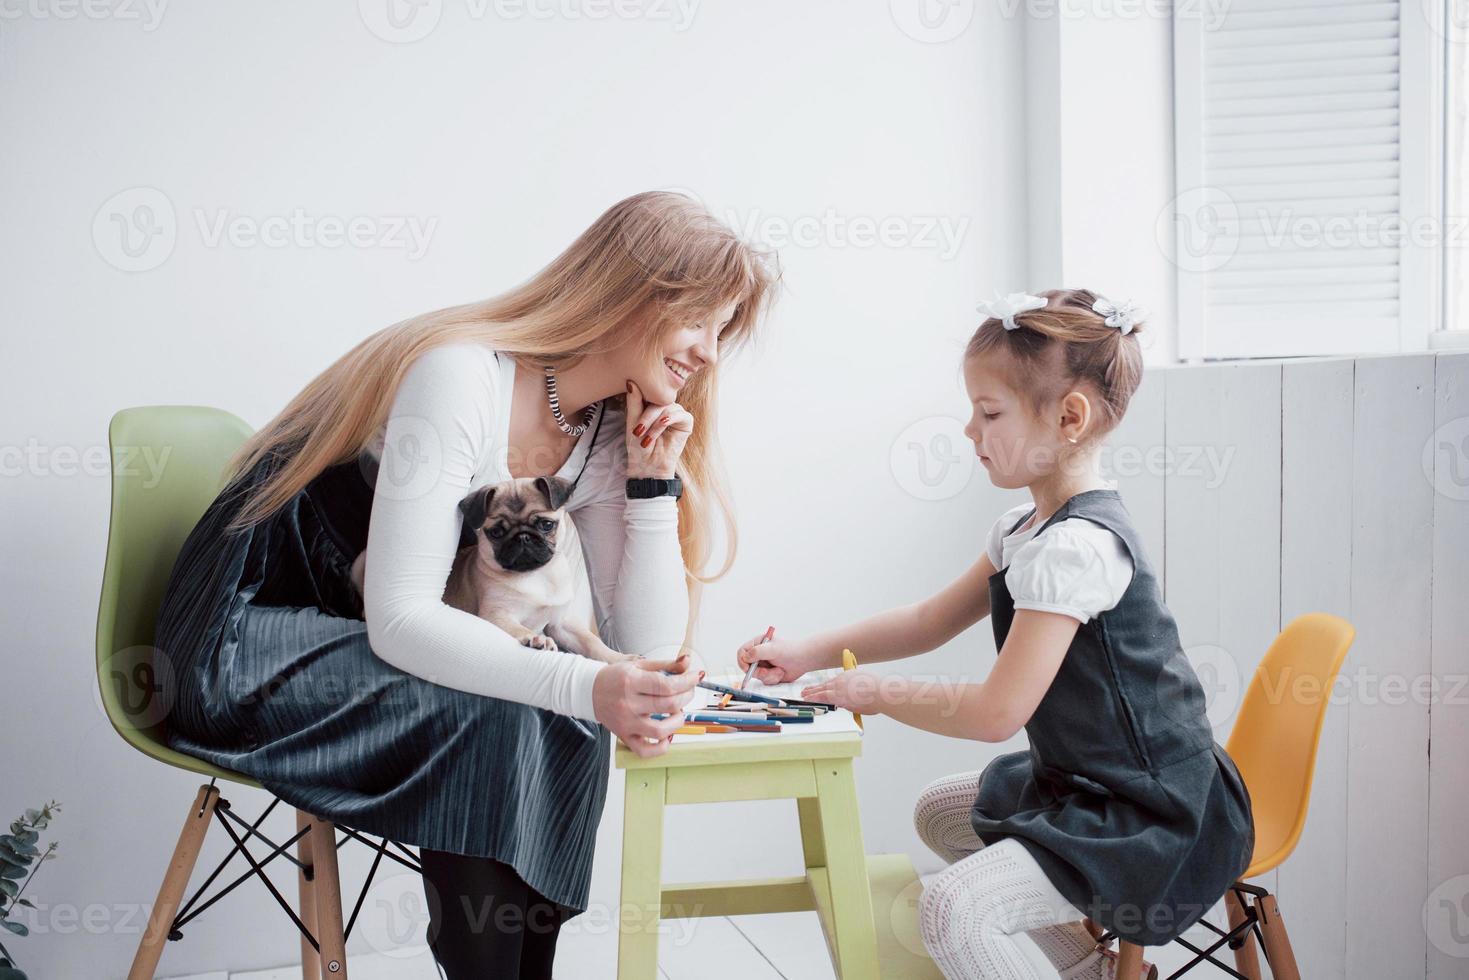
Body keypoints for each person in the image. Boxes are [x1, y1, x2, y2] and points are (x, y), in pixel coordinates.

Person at [153, 190, 779, 978]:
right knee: (516, 696)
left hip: (353, 632)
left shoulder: (604, 428)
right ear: (628, 290)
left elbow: (637, 649)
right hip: (246, 635)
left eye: (724, 332)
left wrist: (654, 486)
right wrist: (588, 685)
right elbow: (404, 621)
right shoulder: (461, 375)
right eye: (700, 321)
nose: (711, 353)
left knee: (564, 698)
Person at [735, 289, 1254, 979]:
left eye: (988, 413)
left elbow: (994, 715)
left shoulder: (1076, 550)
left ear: (1068, 418)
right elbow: (928, 620)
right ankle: (1088, 972)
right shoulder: (1024, 530)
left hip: (1154, 813)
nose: (967, 430)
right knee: (943, 813)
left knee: (953, 908)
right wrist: (806, 652)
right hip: (1090, 786)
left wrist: (875, 692)